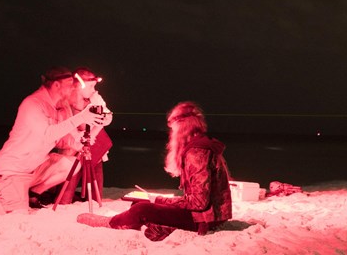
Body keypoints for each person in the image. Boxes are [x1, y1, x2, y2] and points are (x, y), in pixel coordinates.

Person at [0, 67, 106, 214]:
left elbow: (61, 141)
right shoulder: (32, 104)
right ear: (57, 85)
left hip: (34, 169)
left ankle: (32, 194)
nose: (72, 89)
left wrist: (95, 128)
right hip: (12, 170)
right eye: (69, 85)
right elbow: (47, 135)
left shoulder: (58, 108)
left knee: (71, 164)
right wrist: (81, 118)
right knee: (17, 213)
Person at [77, 101, 232, 241]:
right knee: (140, 204)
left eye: (173, 129)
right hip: (209, 216)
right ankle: (147, 223)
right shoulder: (200, 146)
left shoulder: (196, 153)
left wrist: (159, 200)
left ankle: (111, 223)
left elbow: (198, 203)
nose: (171, 134)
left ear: (183, 127)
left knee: (142, 208)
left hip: (205, 219)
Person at [53, 67, 113, 204]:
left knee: (96, 196)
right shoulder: (65, 102)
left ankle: (92, 201)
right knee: (64, 197)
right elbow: (66, 124)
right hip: (72, 151)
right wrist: (79, 140)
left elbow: (107, 116)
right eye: (91, 86)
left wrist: (92, 135)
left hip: (93, 149)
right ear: (80, 85)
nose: (94, 90)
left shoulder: (94, 98)